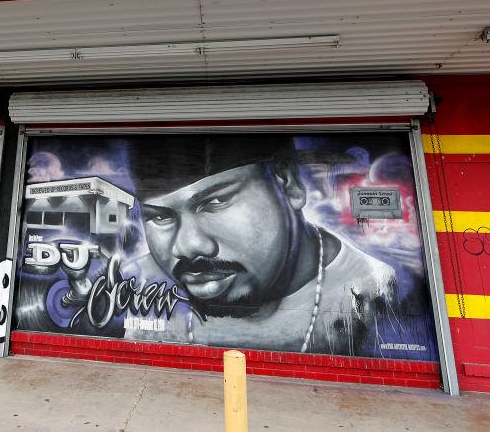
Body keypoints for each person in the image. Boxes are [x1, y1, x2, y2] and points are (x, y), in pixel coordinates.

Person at [123, 134, 397, 355]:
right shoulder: (133, 283)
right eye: (160, 216)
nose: (188, 246)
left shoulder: (378, 294)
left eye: (216, 202)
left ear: (288, 184)